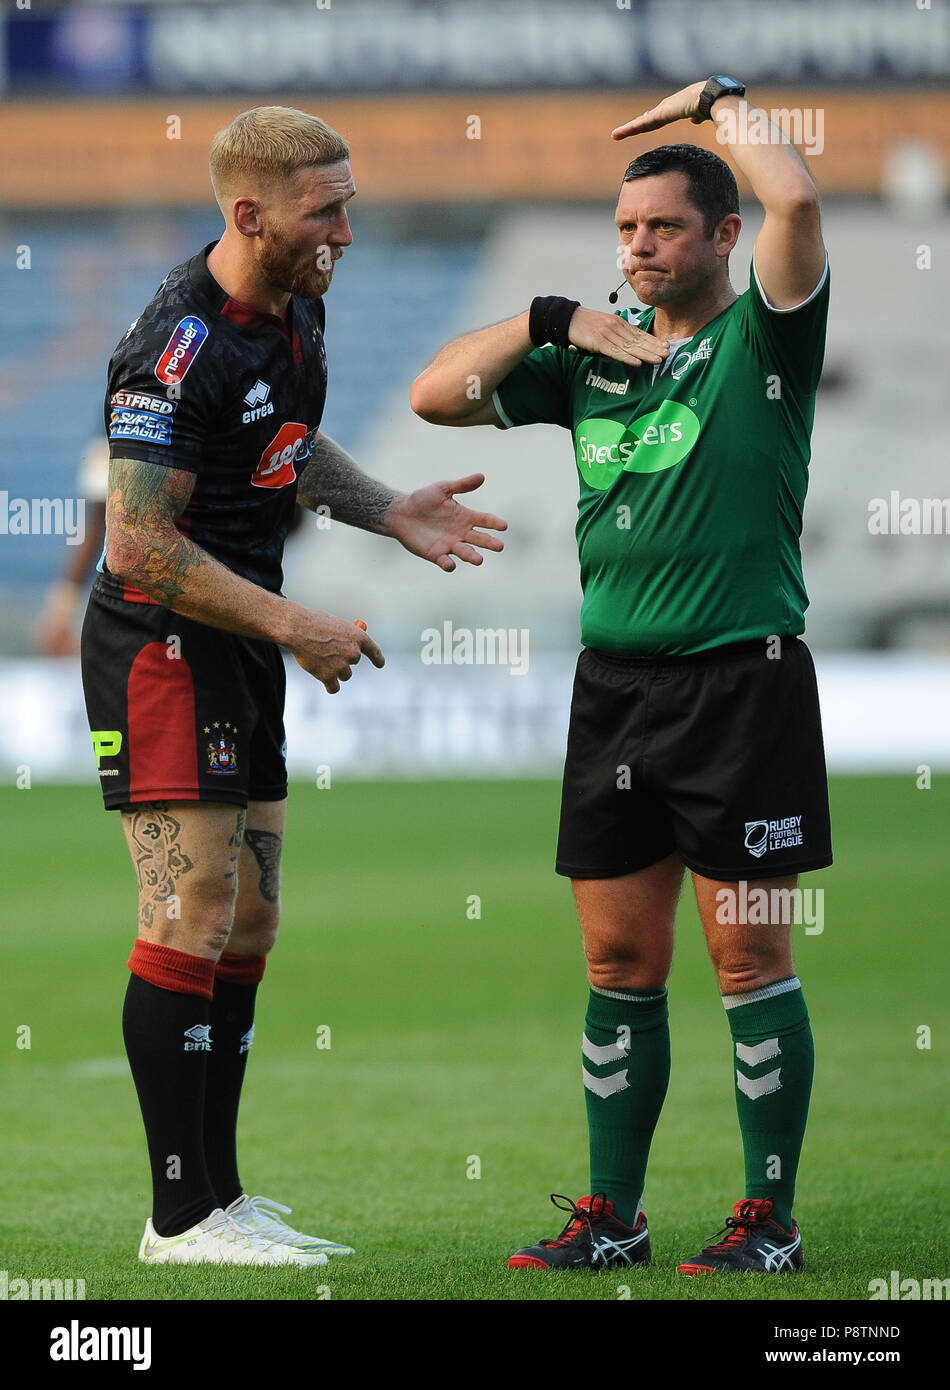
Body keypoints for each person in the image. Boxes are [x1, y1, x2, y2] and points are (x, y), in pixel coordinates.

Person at [410, 77, 831, 1275]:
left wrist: (718, 107)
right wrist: (548, 318)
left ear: (720, 238)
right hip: (615, 694)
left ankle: (768, 1218)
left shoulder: (763, 339)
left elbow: (794, 192)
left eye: (662, 228)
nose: (637, 248)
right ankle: (614, 1215)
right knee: (615, 964)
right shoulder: (590, 360)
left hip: (739, 684)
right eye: (624, 231)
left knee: (749, 960)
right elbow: (432, 394)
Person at [81, 105, 505, 1269]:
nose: (347, 229)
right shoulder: (173, 347)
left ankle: (222, 1199)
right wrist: (294, 621)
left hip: (245, 638)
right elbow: (139, 549)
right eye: (328, 208)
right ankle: (178, 1220)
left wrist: (387, 509)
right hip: (165, 645)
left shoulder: (297, 305)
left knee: (249, 919)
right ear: (249, 212)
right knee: (188, 912)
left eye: (349, 202)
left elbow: (287, 444)